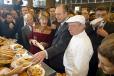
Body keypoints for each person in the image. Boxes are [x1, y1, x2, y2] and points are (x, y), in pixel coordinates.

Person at [31, 4, 72, 73]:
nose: (56, 16)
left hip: (59, 61)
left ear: (66, 13)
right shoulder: (62, 23)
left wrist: (45, 52)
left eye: (59, 14)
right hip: (53, 58)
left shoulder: (69, 26)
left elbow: (61, 45)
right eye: (56, 14)